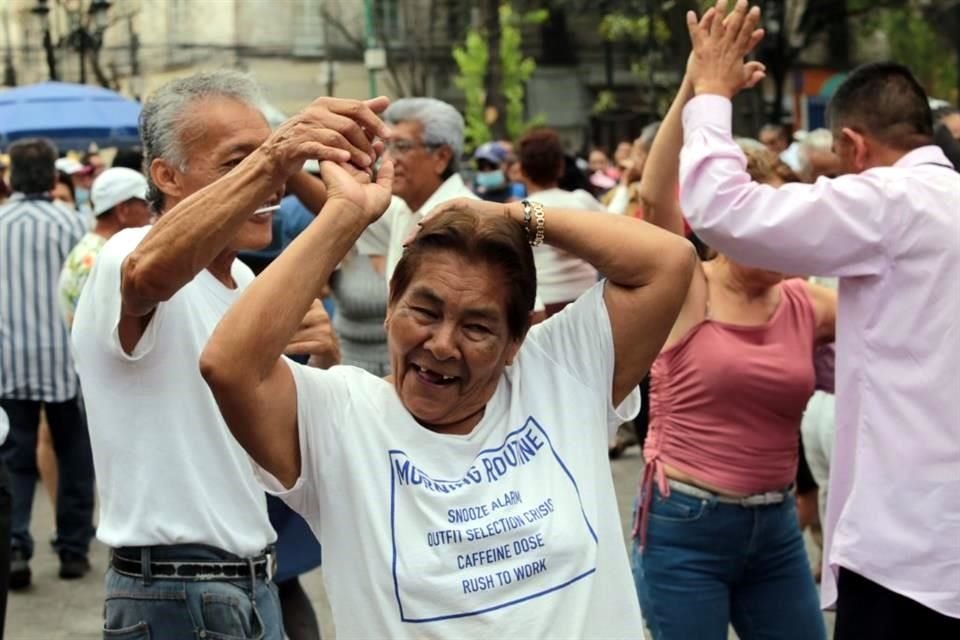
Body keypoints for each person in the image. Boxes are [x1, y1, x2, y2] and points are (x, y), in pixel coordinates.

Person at [199, 142, 697, 636]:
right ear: (391, 303)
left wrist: (510, 216)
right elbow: (229, 366)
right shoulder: (340, 417)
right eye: (425, 311)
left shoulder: (559, 372)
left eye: (477, 328)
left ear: (514, 340)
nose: (441, 345)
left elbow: (668, 262)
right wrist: (343, 215)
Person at [681, 2, 960, 636]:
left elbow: (724, 213)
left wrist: (711, 95)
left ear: (855, 146)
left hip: (907, 547)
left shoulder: (892, 198)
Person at [70, 70, 377, 638]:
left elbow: (282, 447)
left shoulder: (239, 276)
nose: (273, 185)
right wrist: (278, 154)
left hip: (253, 583)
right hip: (174, 592)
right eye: (238, 162)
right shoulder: (127, 249)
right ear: (167, 175)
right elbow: (148, 274)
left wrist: (323, 368)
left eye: (269, 161)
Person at [632, 58, 835, 640]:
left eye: (783, 218)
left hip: (775, 531)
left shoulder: (807, 302)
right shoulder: (687, 286)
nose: (777, 233)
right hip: (684, 526)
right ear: (719, 223)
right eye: (757, 217)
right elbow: (653, 190)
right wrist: (694, 83)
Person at [0, 138, 95, 589]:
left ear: (11, 177)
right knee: (74, 453)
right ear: (54, 178)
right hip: (67, 359)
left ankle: (15, 544)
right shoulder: (74, 223)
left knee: (13, 457)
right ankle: (73, 548)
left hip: (8, 359)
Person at [357, 97, 478, 282]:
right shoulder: (402, 208)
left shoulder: (473, 220)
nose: (388, 159)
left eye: (402, 147)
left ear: (441, 158)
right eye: (387, 146)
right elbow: (352, 207)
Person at [517, 127, 603, 317]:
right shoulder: (582, 201)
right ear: (560, 167)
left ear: (521, 170)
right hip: (590, 305)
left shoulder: (520, 212)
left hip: (541, 311)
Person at [59, 167, 151, 328]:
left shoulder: (91, 248)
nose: (150, 212)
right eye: (144, 204)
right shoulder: (104, 257)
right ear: (123, 210)